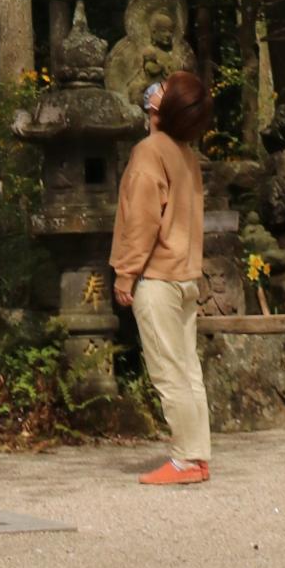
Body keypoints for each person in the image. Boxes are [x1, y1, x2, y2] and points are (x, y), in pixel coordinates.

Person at [109, 67, 212, 487]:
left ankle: (186, 461)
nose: (156, 89)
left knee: (169, 372)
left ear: (164, 106)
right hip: (186, 277)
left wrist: (125, 274)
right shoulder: (185, 153)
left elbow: (143, 221)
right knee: (188, 371)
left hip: (159, 279)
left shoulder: (151, 151)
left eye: (165, 88)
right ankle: (197, 455)